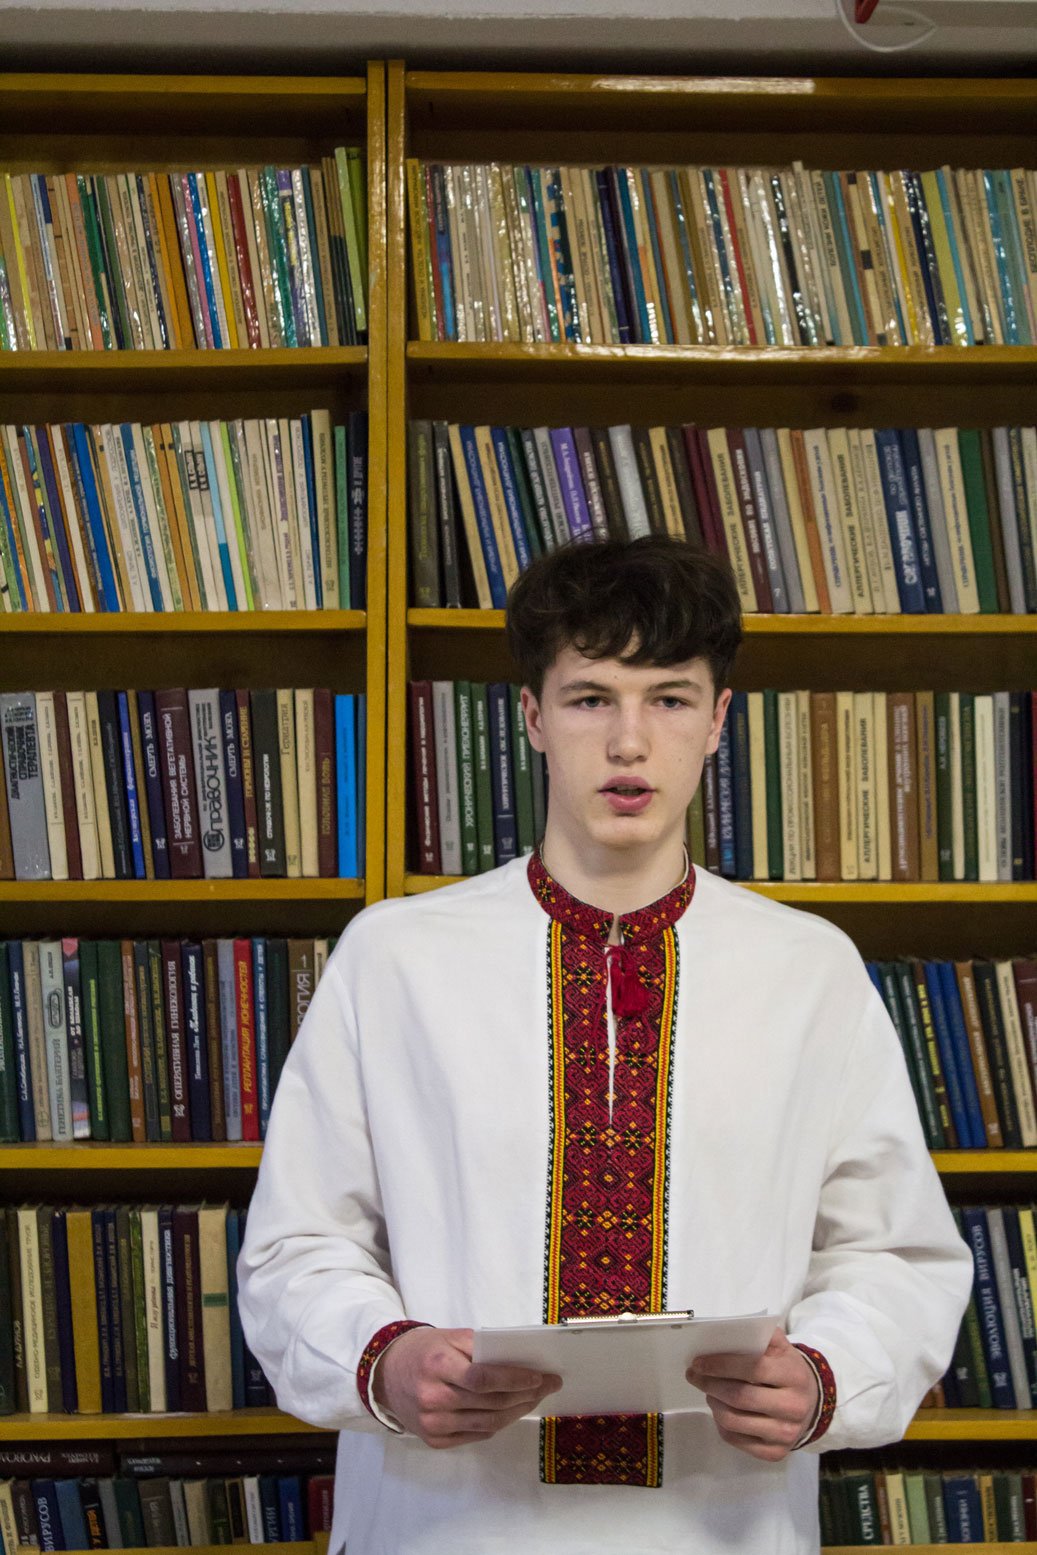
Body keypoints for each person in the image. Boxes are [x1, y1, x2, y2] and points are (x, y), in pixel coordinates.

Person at [238, 536, 973, 1555]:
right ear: (534, 716)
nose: (629, 741)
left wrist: (823, 1375)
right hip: (444, 1525)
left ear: (717, 720)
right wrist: (385, 1361)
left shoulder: (809, 970)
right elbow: (295, 1246)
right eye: (590, 698)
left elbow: (892, 1252)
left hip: (725, 1528)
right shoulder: (394, 958)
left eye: (668, 698)